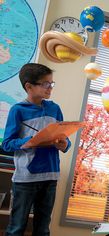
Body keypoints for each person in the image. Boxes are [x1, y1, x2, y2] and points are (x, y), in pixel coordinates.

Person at [2, 63, 71, 236]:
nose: (50, 87)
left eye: (51, 83)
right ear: (29, 86)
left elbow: (64, 137)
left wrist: (65, 144)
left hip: (50, 177)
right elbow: (7, 144)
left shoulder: (55, 109)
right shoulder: (17, 110)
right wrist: (30, 141)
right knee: (16, 228)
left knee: (42, 230)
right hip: (25, 179)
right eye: (45, 84)